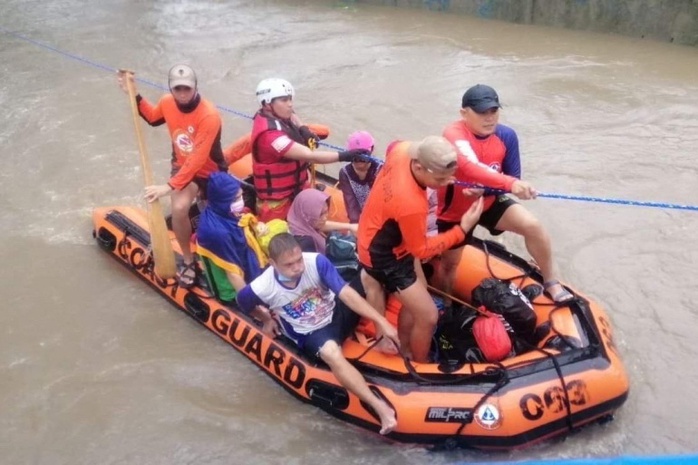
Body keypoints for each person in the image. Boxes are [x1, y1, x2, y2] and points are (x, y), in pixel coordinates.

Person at [236, 233, 399, 435]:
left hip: (335, 311)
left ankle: (381, 340)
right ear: (273, 263)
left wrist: (381, 321)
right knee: (331, 353)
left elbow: (344, 292)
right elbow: (243, 302)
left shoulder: (315, 261)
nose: (297, 268)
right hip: (312, 331)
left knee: (369, 276)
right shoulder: (262, 287)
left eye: (298, 260)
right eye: (289, 265)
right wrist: (267, 319)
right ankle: (379, 407)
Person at [357, 136, 499, 363]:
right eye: (440, 179)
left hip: (380, 230)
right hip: (383, 254)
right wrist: (461, 230)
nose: (445, 183)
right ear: (419, 166)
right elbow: (421, 250)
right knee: (429, 315)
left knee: (417, 299)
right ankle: (420, 364)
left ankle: (405, 346)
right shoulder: (412, 203)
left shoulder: (403, 150)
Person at [438, 84, 573, 303]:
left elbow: (513, 175)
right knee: (449, 264)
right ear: (464, 113)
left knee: (533, 226)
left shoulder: (507, 136)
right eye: (482, 112)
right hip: (455, 211)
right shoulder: (453, 133)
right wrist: (511, 184)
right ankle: (447, 304)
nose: (489, 118)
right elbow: (471, 166)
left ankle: (551, 282)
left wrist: (488, 189)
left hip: (488, 202)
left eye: (494, 111)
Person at [117, 65, 228, 288]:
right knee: (178, 209)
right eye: (178, 89)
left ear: (195, 87)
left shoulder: (209, 115)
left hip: (210, 171)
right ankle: (188, 260)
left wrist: (168, 186)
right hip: (182, 166)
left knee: (220, 222)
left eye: (187, 88)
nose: (183, 93)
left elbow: (198, 157)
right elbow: (152, 117)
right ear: (171, 89)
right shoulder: (168, 102)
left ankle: (226, 258)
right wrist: (134, 94)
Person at [251, 78, 370, 222]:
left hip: (298, 188)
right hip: (278, 203)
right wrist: (344, 156)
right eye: (284, 100)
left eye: (290, 99)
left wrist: (303, 128)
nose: (290, 104)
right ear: (266, 103)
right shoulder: (270, 137)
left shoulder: (278, 114)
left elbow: (292, 114)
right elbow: (309, 156)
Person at [195, 172, 267, 304]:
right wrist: (253, 305)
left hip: (246, 265)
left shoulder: (225, 212)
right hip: (231, 290)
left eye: (240, 196)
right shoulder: (217, 233)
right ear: (222, 201)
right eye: (235, 199)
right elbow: (233, 274)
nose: (240, 201)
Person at [287, 188, 358, 253]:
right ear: (307, 216)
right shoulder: (306, 244)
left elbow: (320, 225)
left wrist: (349, 226)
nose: (325, 218)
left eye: (326, 212)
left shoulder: (295, 222)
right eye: (320, 214)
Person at [337, 131, 382, 223]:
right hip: (361, 216)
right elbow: (351, 203)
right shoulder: (345, 173)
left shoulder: (380, 170)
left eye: (362, 156)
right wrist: (356, 223)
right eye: (355, 156)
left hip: (379, 216)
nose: (358, 160)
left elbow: (382, 202)